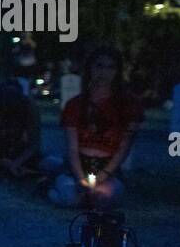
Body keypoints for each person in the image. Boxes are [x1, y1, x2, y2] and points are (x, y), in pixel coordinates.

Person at [49, 46, 143, 209]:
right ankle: (50, 186)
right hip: (77, 166)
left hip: (108, 167)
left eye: (110, 67)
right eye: (99, 66)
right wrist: (80, 178)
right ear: (90, 68)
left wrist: (103, 175)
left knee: (102, 199)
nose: (104, 73)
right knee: (72, 199)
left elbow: (124, 147)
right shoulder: (75, 105)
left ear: (117, 71)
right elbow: (72, 147)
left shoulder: (128, 105)